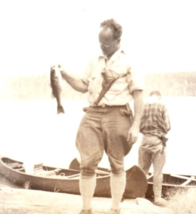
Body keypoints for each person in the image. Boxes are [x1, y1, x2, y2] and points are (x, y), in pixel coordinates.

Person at [52, 19, 144, 214]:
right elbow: (83, 86)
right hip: (93, 114)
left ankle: (115, 209)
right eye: (100, 42)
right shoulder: (94, 60)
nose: (102, 46)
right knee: (86, 164)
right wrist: (65, 75)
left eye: (106, 43)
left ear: (118, 40)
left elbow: (138, 95)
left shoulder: (130, 62)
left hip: (118, 114)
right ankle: (86, 209)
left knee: (117, 164)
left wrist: (136, 125)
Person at [139, 90, 171, 206]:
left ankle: (140, 195)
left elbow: (138, 125)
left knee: (142, 170)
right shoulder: (162, 106)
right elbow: (167, 126)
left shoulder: (143, 106)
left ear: (150, 96)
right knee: (158, 172)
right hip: (157, 141)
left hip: (145, 140)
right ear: (159, 97)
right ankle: (157, 198)